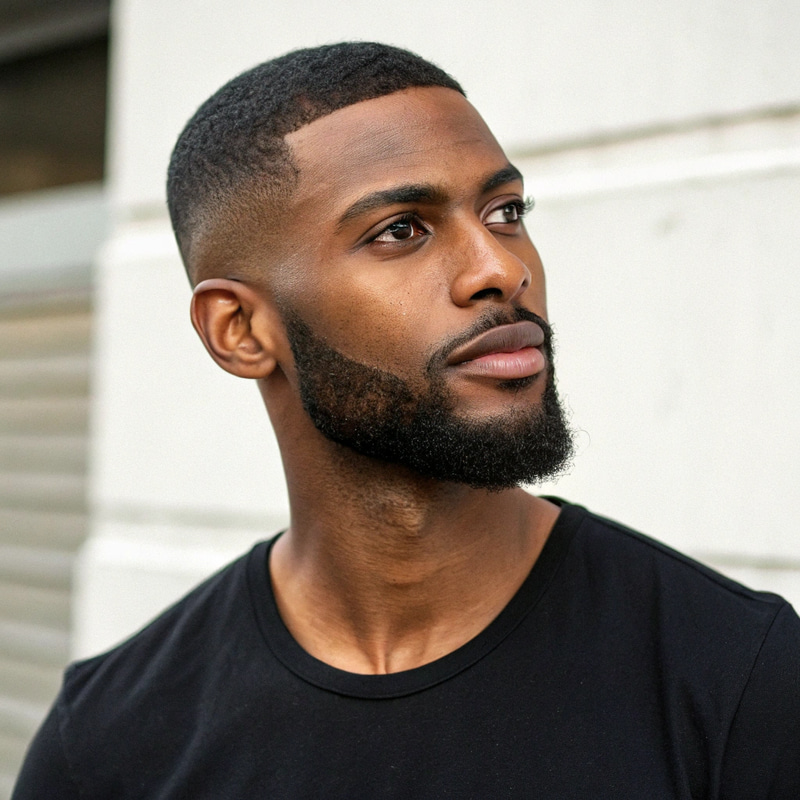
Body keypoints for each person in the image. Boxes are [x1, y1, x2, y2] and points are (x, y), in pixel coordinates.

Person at [13, 42, 800, 799]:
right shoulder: (110, 742)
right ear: (241, 331)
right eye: (402, 230)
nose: (502, 268)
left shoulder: (740, 679)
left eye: (504, 210)